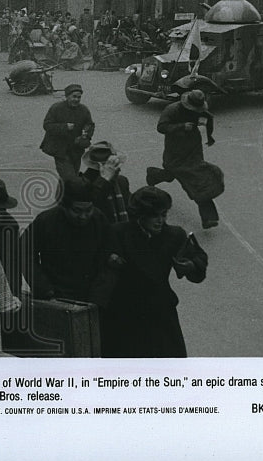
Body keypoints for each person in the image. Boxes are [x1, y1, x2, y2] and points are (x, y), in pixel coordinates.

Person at [102, 186, 207, 358]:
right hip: (124, 314)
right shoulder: (119, 233)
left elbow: (198, 256)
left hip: (160, 312)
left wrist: (190, 265)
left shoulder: (174, 235)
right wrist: (110, 260)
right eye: (154, 216)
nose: (160, 221)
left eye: (163, 215)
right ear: (140, 216)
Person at [19, 178, 116, 305]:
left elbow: (108, 258)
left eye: (88, 210)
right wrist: (45, 290)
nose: (83, 216)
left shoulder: (99, 219)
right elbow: (24, 254)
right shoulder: (46, 221)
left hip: (92, 294)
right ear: (64, 206)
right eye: (77, 211)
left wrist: (99, 295)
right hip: (55, 294)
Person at [146, 90, 223, 229]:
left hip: (193, 149)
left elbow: (209, 118)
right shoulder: (172, 109)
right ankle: (153, 175)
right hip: (175, 151)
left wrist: (210, 136)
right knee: (175, 175)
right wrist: (181, 126)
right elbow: (161, 127)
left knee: (197, 180)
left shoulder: (200, 109)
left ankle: (208, 218)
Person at [39, 83, 95, 183]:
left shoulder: (83, 110)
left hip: (76, 149)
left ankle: (66, 195)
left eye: (79, 97)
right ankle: (66, 195)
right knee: (69, 178)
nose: (76, 100)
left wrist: (86, 133)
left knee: (73, 174)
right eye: (74, 97)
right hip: (60, 150)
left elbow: (90, 124)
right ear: (67, 96)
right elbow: (47, 125)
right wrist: (64, 127)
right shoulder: (56, 108)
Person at [78, 140, 130, 224]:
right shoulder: (82, 184)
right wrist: (105, 180)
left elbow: (130, 207)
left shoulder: (121, 181)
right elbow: (93, 202)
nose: (119, 169)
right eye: (115, 166)